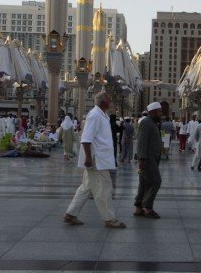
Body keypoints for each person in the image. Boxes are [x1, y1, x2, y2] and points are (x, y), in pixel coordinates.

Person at [64, 92, 126, 228]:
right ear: (104, 102)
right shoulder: (95, 115)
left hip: (99, 159)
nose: (111, 102)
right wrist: (88, 158)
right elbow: (86, 139)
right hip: (97, 160)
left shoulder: (102, 115)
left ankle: (71, 213)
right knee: (104, 188)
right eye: (109, 99)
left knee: (86, 187)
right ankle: (110, 218)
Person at [134, 102, 163, 219]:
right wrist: (142, 159)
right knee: (156, 181)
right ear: (152, 112)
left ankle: (138, 207)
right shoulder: (146, 122)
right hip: (147, 158)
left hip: (150, 158)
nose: (161, 113)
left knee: (144, 182)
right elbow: (142, 141)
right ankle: (147, 207)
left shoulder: (152, 123)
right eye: (159, 111)